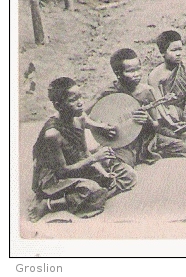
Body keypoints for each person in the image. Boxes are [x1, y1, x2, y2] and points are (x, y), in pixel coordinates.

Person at [28, 77, 137, 222]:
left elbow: (84, 152)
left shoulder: (79, 118)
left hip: (79, 163)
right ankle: (48, 204)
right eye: (73, 100)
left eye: (80, 97)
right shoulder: (52, 134)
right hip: (56, 177)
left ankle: (90, 195)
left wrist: (104, 173)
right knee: (92, 189)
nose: (80, 103)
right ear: (58, 105)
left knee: (128, 174)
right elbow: (62, 171)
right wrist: (95, 158)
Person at [86, 49, 186, 168]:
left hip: (147, 140)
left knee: (182, 148)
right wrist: (98, 127)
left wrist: (148, 121)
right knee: (120, 165)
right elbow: (79, 116)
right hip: (123, 144)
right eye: (130, 71)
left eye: (138, 69)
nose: (137, 74)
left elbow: (156, 126)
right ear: (117, 73)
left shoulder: (146, 92)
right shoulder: (108, 92)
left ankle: (146, 155)